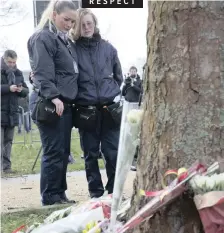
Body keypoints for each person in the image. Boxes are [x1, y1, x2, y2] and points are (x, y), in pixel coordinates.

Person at [27, 0, 78, 206]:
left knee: (63, 151)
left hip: (63, 102)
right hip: (49, 102)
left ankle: (59, 193)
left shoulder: (62, 40)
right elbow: (42, 71)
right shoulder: (43, 37)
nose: (69, 24)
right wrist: (53, 95)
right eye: (66, 19)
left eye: (72, 22)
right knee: (53, 150)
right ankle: (49, 196)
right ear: (54, 14)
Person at [71, 8, 123, 198]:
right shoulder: (72, 49)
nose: (86, 27)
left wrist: (107, 92)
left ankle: (113, 192)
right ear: (77, 26)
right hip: (86, 111)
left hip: (109, 110)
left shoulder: (108, 49)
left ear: (95, 24)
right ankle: (95, 192)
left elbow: (118, 76)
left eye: (89, 23)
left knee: (113, 153)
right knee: (90, 155)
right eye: (82, 24)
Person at [1, 50, 29, 174]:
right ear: (4, 59)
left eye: (13, 62)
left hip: (12, 113)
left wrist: (20, 90)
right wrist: (8, 88)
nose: (11, 64)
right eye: (9, 62)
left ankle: (6, 167)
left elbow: (26, 91)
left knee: (8, 142)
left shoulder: (18, 73)